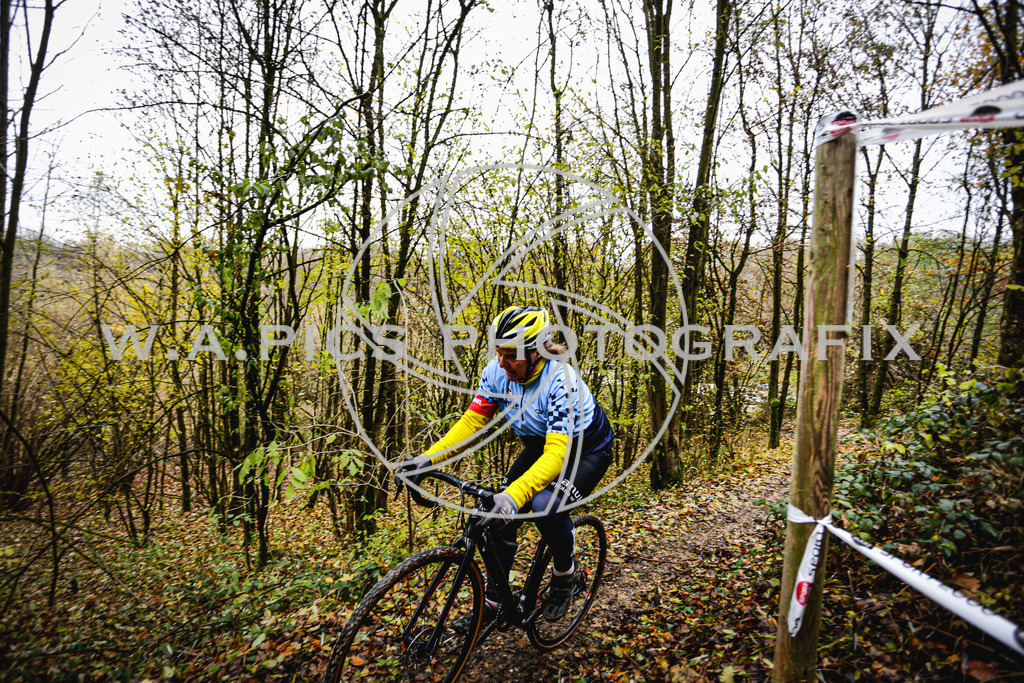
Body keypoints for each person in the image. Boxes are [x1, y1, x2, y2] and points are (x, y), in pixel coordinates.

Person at [401, 305, 615, 625]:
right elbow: (470, 424)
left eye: (510, 354)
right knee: (496, 518)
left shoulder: (561, 381)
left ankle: (564, 576)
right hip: (540, 446)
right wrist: (426, 459)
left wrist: (514, 496)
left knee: (545, 504)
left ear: (537, 352)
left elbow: (557, 455)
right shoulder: (497, 373)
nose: (502, 362)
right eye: (498, 352)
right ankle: (493, 603)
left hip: (586, 451)